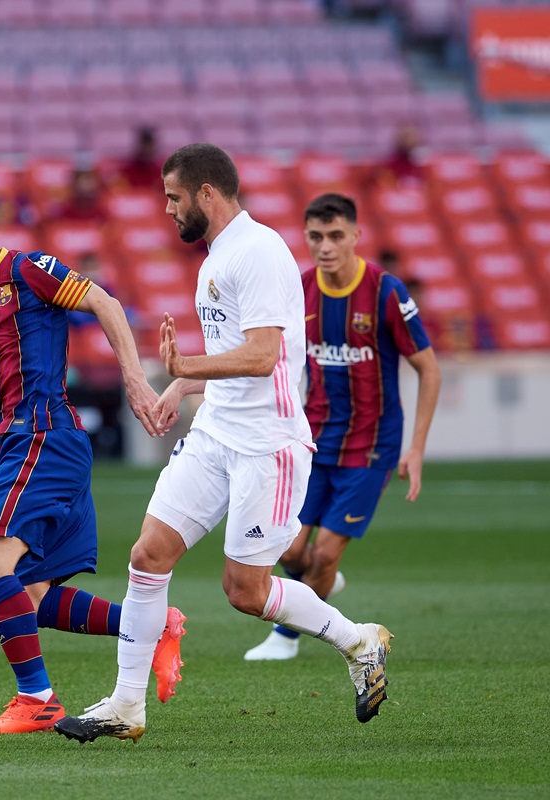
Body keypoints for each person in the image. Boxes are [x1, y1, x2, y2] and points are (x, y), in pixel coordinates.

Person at [55, 144, 394, 744]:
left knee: (245, 591)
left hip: (267, 444)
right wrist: (184, 384)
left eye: (174, 197)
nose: (166, 209)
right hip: (216, 432)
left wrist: (187, 365)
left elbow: (264, 356)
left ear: (207, 193)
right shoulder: (220, 255)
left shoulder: (258, 252)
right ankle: (127, 705)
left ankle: (358, 639)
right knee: (147, 556)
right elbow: (236, 351)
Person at [0, 176, 186, 736]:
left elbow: (105, 302)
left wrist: (137, 383)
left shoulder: (28, 270)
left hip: (43, 436)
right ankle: (152, 626)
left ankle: (36, 699)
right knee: (33, 596)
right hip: (27, 446)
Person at [244, 193, 440, 661]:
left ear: (355, 235)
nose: (325, 246)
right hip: (312, 438)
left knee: (325, 554)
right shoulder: (300, 288)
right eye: (316, 236)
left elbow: (429, 370)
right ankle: (323, 584)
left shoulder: (386, 292)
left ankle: (286, 638)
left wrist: (415, 448)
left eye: (335, 236)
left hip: (371, 446)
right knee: (290, 552)